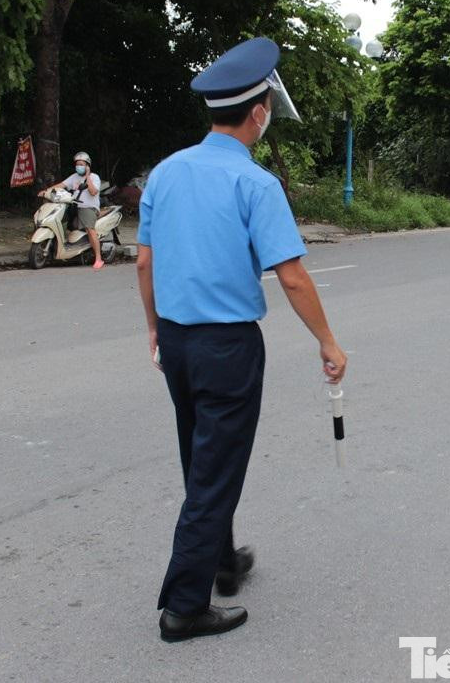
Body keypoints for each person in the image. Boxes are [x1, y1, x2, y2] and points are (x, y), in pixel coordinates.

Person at [135, 36, 348, 643]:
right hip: (227, 347)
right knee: (214, 468)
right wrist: (328, 342)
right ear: (259, 112)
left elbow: (144, 264)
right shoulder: (255, 185)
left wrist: (154, 327)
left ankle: (221, 559)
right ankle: (183, 608)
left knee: (201, 456)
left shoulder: (167, 172)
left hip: (175, 341)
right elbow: (293, 275)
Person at [46, 152, 105, 269]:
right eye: (77, 164)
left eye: (82, 164)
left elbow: (93, 192)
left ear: (88, 166)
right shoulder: (74, 177)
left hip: (88, 208)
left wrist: (87, 176)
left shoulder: (94, 177)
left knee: (90, 229)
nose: (79, 166)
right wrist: (47, 190)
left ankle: (98, 258)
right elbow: (62, 185)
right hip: (75, 207)